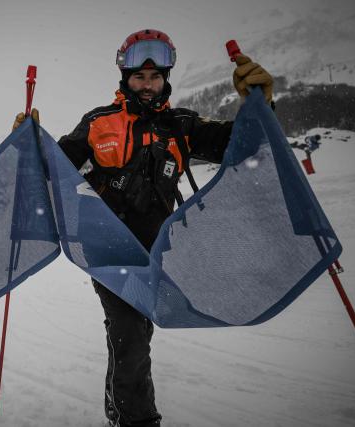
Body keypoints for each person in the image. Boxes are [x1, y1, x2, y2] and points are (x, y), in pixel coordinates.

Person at [14, 29, 273, 427]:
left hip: (155, 249)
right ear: (125, 78)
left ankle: (119, 409)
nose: (147, 85)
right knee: (131, 333)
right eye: (139, 77)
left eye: (154, 77)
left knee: (134, 334)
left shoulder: (181, 126)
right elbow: (54, 164)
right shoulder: (99, 123)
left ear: (165, 77)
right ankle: (135, 421)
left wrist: (258, 104)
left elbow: (240, 143)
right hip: (107, 248)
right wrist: (27, 144)